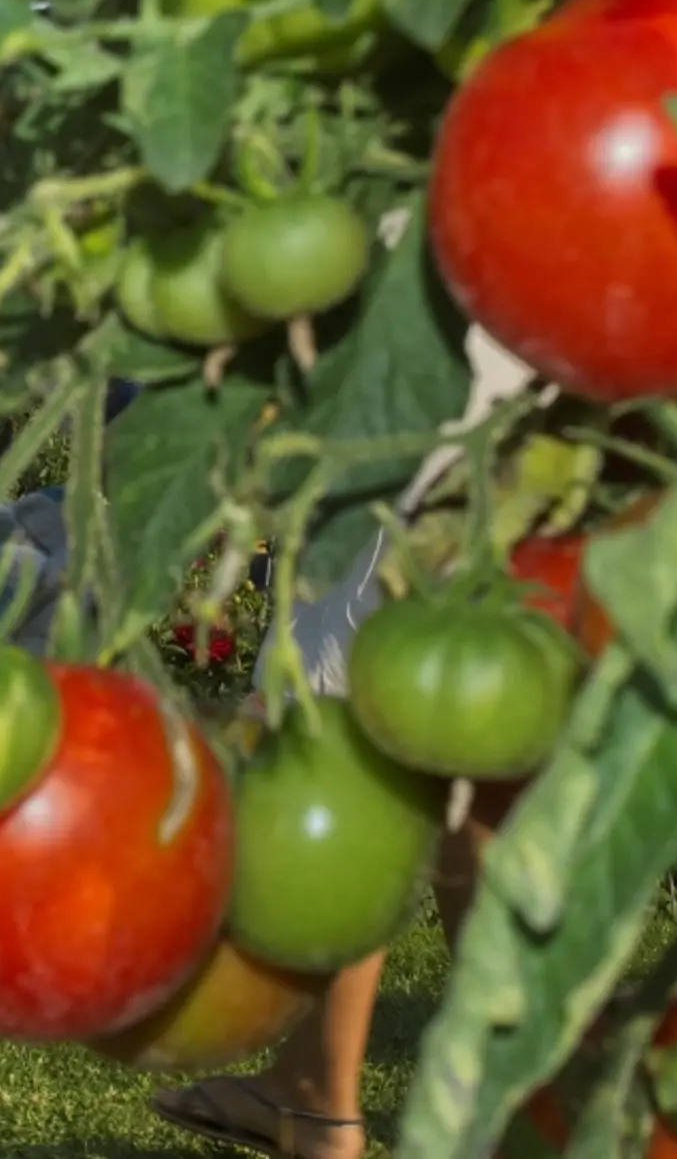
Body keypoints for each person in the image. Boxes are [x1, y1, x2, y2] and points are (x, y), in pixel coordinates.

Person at [147, 327, 540, 1159]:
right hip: (517, 404)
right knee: (467, 753)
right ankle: (482, 1100)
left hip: (410, 409)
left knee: (342, 747)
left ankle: (328, 1106)